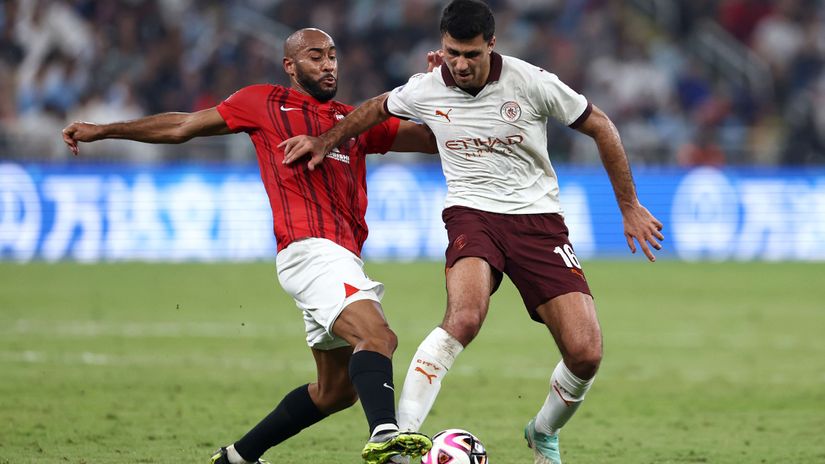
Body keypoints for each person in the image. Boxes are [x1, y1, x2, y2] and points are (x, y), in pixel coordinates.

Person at [279, 2, 665, 464]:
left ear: (492, 46)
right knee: (463, 318)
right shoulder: (427, 87)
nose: (459, 64)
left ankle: (542, 432)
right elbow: (374, 109)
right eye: (451, 53)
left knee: (586, 354)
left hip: (538, 222)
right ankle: (398, 440)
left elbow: (601, 126)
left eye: (470, 55)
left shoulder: (531, 82)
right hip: (471, 215)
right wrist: (326, 141)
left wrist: (629, 206)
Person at [61, 28, 437, 464]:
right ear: (290, 66)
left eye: (333, 55)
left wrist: (434, 96)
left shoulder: (353, 121)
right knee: (377, 336)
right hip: (309, 250)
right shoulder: (263, 102)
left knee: (334, 393)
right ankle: (388, 440)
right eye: (315, 56)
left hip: (343, 257)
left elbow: (430, 140)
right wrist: (103, 130)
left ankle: (237, 457)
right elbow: (183, 125)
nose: (328, 64)